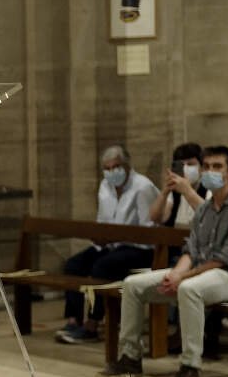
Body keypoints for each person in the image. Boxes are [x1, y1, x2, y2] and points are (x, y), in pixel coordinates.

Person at [99, 146, 228, 377]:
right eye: (206, 167)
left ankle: (190, 368)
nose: (209, 172)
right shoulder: (205, 209)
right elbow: (191, 249)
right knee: (133, 284)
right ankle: (130, 358)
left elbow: (224, 259)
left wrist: (182, 277)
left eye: (217, 167)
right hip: (197, 272)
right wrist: (175, 273)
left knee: (188, 289)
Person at [57, 145, 159, 344]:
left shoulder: (143, 187)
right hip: (110, 245)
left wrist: (116, 237)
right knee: (73, 265)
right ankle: (73, 320)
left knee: (102, 267)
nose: (112, 172)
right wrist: (99, 235)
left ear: (127, 166)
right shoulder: (105, 185)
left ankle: (93, 324)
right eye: (107, 168)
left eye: (116, 166)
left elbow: (149, 230)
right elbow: (103, 220)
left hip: (139, 249)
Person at [150, 142, 206, 230]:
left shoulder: (208, 188)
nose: (185, 168)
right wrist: (164, 192)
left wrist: (187, 190)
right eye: (182, 165)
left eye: (190, 164)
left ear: (202, 168)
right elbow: (156, 218)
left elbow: (210, 216)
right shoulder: (174, 191)